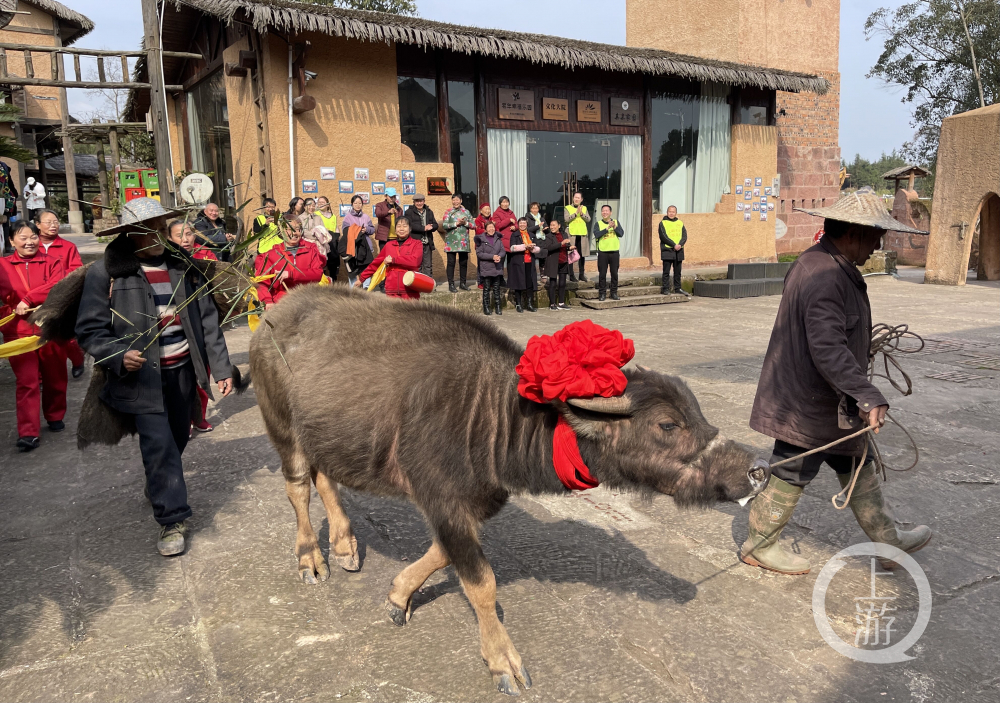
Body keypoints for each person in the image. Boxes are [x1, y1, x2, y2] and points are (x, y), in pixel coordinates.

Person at [741, 189, 932, 575]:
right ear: (852, 232)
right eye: (874, 234)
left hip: (826, 396)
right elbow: (827, 347)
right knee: (792, 469)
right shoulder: (824, 274)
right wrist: (867, 394)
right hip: (806, 399)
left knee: (855, 461)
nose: (879, 242)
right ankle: (759, 544)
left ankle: (888, 539)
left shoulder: (830, 264)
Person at [75, 198, 234, 555]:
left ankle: (159, 482)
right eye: (150, 230)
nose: (159, 236)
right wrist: (117, 354)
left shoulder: (184, 267)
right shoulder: (109, 273)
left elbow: (208, 320)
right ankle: (171, 519)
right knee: (159, 446)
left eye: (162, 228)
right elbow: (89, 329)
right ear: (130, 234)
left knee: (177, 439)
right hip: (141, 379)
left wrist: (221, 368)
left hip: (181, 372)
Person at [0, 221, 67, 452]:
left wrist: (28, 300)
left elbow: (57, 286)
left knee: (55, 376)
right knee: (27, 382)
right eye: (22, 237)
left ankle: (55, 414)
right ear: (11, 241)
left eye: (33, 237)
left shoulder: (53, 262)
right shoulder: (3, 265)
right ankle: (28, 432)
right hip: (18, 332)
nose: (29, 242)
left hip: (49, 328)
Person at [166, 219, 216, 433]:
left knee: (203, 371)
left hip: (201, 321)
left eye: (189, 234)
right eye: (179, 235)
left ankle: (200, 415)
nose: (185, 239)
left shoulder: (206, 256)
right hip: (176, 325)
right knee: (182, 379)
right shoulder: (166, 260)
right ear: (169, 238)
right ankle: (183, 417)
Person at [34, 208, 86, 378]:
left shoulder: (68, 247)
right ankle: (41, 375)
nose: (53, 225)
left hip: (62, 297)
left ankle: (78, 359)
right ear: (37, 225)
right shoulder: (32, 245)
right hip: (37, 299)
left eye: (56, 222)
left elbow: (76, 272)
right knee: (39, 337)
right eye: (48, 222)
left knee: (65, 336)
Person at [254, 219, 325, 309]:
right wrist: (268, 301)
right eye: (288, 229)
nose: (294, 233)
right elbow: (261, 282)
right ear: (281, 232)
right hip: (282, 304)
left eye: (297, 229)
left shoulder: (310, 250)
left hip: (308, 301)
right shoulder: (272, 254)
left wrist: (291, 274)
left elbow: (317, 274)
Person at [356, 218, 423, 300]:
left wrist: (394, 260)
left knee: (411, 312)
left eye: (404, 226)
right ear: (395, 230)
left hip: (410, 289)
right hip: (392, 290)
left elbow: (415, 262)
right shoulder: (389, 245)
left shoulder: (417, 244)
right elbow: (375, 264)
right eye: (398, 226)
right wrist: (361, 279)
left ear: (410, 229)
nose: (401, 229)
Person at [505, 217, 540, 312]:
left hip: (529, 262)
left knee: (530, 284)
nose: (522, 225)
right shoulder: (515, 235)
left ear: (527, 224)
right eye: (520, 223)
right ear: (518, 224)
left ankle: (529, 304)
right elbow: (512, 248)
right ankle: (518, 304)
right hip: (518, 262)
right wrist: (525, 246)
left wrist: (532, 248)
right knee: (518, 283)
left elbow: (538, 249)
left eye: (524, 223)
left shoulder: (531, 235)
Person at [340, 194, 375, 287]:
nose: (358, 205)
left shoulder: (366, 217)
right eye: (355, 203)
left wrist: (366, 229)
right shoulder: (348, 217)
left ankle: (366, 287)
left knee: (366, 268)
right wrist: (356, 231)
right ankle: (353, 289)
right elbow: (345, 231)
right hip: (353, 247)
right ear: (352, 204)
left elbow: (372, 230)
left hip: (365, 247)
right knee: (353, 269)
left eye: (360, 203)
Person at [440, 192, 473, 292]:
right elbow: (444, 225)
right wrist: (456, 223)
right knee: (451, 263)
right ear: (452, 201)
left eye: (457, 200)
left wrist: (465, 223)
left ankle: (463, 283)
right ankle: (451, 284)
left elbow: (474, 225)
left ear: (461, 201)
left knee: (463, 263)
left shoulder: (466, 212)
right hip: (451, 242)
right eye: (454, 200)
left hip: (463, 242)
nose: (455, 201)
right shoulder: (448, 212)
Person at [592, 205, 624, 302]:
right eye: (603, 211)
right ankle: (602, 294)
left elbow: (621, 234)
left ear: (610, 212)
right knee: (602, 274)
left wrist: (614, 227)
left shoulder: (616, 222)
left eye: (607, 211)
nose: (605, 212)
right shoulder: (598, 224)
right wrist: (606, 228)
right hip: (603, 252)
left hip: (614, 252)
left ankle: (614, 293)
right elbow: (597, 235)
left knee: (614, 273)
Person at [541, 219, 574, 311]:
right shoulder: (548, 236)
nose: (552, 227)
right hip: (553, 261)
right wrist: (561, 243)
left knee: (562, 283)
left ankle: (561, 303)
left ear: (559, 226)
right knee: (553, 283)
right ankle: (552, 304)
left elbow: (566, 245)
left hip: (563, 261)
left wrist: (570, 247)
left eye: (554, 225)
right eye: (551, 225)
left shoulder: (564, 234)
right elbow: (549, 247)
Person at [474, 220, 505, 316]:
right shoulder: (480, 239)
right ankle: (486, 307)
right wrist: (492, 257)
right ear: (486, 229)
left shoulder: (498, 238)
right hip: (486, 267)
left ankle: (498, 307)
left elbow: (502, 250)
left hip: (497, 267)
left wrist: (499, 256)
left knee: (496, 288)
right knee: (486, 288)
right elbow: (479, 254)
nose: (491, 229)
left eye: (493, 227)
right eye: (489, 227)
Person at [404, 193, 438, 278]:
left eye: (421, 201)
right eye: (417, 201)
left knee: (428, 265)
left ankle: (428, 284)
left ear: (424, 201)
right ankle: (417, 284)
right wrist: (423, 228)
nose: (419, 203)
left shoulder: (429, 211)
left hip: (427, 242)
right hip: (415, 243)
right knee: (416, 264)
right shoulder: (409, 212)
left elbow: (436, 224)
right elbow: (409, 225)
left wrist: (432, 227)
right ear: (414, 202)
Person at [658, 205, 690, 296]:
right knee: (666, 272)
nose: (671, 213)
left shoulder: (680, 223)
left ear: (676, 213)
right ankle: (666, 289)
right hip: (667, 250)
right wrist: (673, 245)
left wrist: (680, 244)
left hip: (679, 251)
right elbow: (663, 236)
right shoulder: (662, 223)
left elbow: (684, 236)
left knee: (678, 272)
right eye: (669, 211)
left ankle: (678, 288)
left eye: (673, 212)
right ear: (667, 212)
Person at [563, 191, 590, 282]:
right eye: (575, 197)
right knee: (570, 254)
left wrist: (582, 213)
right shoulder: (567, 208)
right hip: (572, 234)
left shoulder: (584, 208)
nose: (576, 199)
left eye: (578, 198)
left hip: (582, 234)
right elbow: (566, 219)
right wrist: (575, 213)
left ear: (581, 199)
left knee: (582, 255)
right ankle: (571, 275)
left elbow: (588, 219)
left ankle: (581, 274)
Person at [298, 197, 333, 263]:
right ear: (305, 206)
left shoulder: (318, 217)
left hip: (320, 243)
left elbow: (323, 229)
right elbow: (304, 232)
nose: (311, 207)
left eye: (313, 205)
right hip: (308, 244)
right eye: (309, 205)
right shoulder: (300, 218)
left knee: (320, 263)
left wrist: (320, 235)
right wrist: (317, 236)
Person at [316, 196, 340, 282]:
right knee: (323, 265)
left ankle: (333, 283)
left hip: (332, 242)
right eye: (319, 202)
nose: (321, 204)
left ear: (328, 205)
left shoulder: (333, 216)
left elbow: (336, 228)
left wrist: (337, 237)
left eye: (323, 202)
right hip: (322, 242)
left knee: (333, 265)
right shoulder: (316, 215)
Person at [525, 202, 548, 285]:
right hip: (533, 240)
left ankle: (543, 275)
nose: (535, 210)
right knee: (533, 258)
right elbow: (528, 229)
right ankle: (532, 276)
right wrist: (538, 226)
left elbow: (546, 227)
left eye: (536, 208)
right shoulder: (527, 217)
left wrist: (546, 229)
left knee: (543, 257)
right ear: (530, 209)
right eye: (533, 208)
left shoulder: (541, 218)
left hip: (542, 239)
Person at [474, 203, 492, 290]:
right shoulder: (478, 220)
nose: (488, 211)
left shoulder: (492, 219)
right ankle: (480, 282)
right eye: (486, 209)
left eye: (489, 209)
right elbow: (478, 231)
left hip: (491, 245)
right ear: (481, 211)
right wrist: (487, 230)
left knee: (490, 264)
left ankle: (490, 282)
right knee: (481, 264)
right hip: (481, 245)